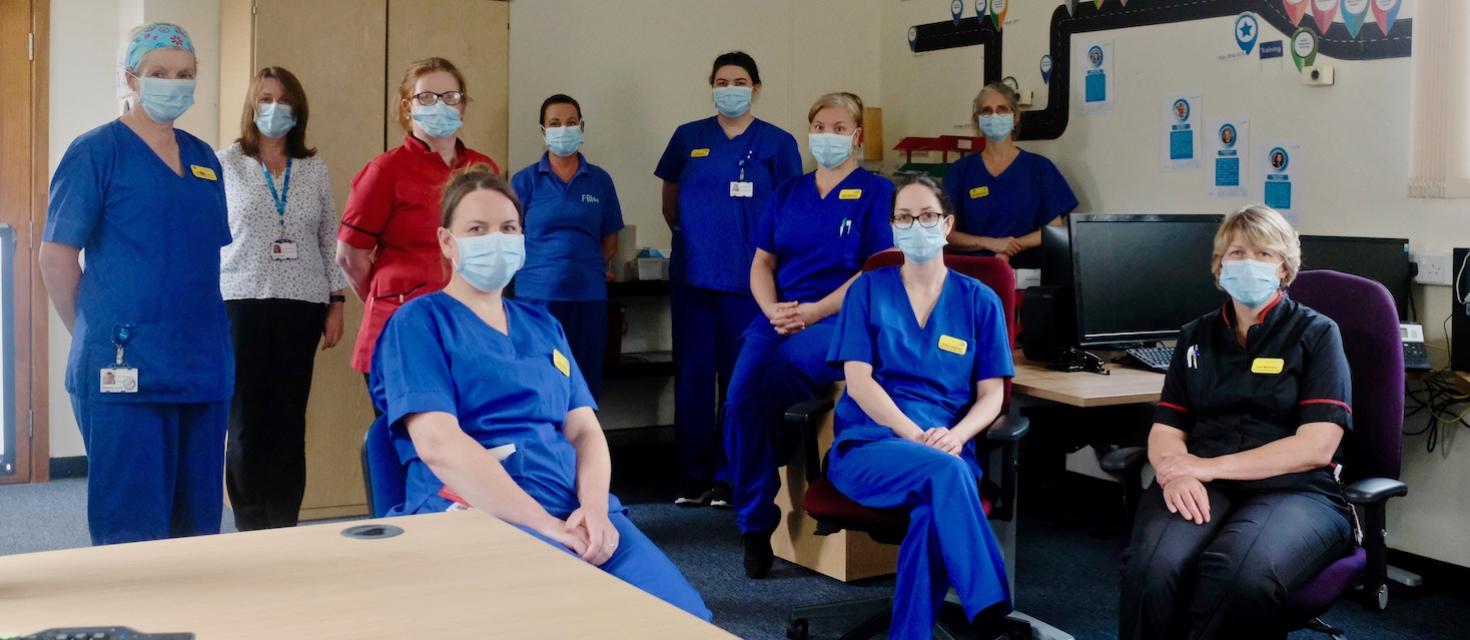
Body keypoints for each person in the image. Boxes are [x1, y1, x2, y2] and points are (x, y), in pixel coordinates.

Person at [370, 166, 710, 621]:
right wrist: (546, 526)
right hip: (480, 516)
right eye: (477, 229)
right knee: (579, 620)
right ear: (447, 242)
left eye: (509, 228)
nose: (496, 239)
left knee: (683, 618)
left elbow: (586, 431)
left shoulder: (542, 325)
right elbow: (438, 443)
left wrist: (594, 510)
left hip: (575, 512)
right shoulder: (419, 323)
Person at [1119, 205, 1355, 640]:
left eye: (1264, 254)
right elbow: (1168, 426)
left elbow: (1316, 446)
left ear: (1284, 267)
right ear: (1218, 265)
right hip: (1201, 479)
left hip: (1295, 488)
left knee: (1237, 576)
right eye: (1238, 252)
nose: (1249, 263)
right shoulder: (1196, 336)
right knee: (1154, 566)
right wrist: (1173, 473)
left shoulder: (1317, 334)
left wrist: (1205, 467)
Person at [39, 23, 233, 545]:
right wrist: (96, 332)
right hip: (123, 368)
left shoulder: (203, 159)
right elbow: (56, 257)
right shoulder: (97, 151)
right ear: (132, 78)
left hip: (200, 361)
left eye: (185, 74)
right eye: (159, 73)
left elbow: (198, 257)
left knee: (197, 526)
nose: (175, 83)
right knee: (132, 528)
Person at [827, 175, 1014, 640]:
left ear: (947, 224)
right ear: (892, 227)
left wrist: (959, 435)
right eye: (904, 218)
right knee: (945, 477)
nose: (917, 226)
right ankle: (989, 607)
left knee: (935, 511)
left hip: (950, 446)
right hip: (872, 445)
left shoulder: (980, 301)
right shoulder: (868, 290)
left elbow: (993, 393)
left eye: (927, 216)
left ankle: (909, 635)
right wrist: (916, 435)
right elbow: (859, 381)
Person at [725, 92, 894, 577]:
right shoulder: (788, 193)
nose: (827, 135)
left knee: (781, 372)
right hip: (778, 314)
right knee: (738, 401)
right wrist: (771, 309)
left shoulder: (876, 193)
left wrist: (815, 310)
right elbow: (762, 262)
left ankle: (795, 472)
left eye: (839, 127)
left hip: (839, 318)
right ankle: (755, 522)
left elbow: (876, 269)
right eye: (819, 125)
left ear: (857, 136)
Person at [655, 51, 802, 508]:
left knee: (741, 383)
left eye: (739, 81)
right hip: (695, 278)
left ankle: (731, 475)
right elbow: (670, 201)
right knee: (694, 379)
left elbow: (789, 211)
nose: (730, 88)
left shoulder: (778, 143)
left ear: (756, 87)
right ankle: (693, 476)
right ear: (711, 85)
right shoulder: (688, 138)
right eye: (722, 80)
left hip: (750, 283)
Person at [217, 66, 347, 530]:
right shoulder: (224, 162)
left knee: (289, 421)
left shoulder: (313, 169)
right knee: (247, 421)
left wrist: (336, 302)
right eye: (266, 97)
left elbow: (329, 234)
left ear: (298, 109)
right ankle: (251, 523)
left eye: (285, 99)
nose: (275, 107)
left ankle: (284, 520)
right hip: (241, 301)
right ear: (253, 105)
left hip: (301, 305)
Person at [336, 57, 498, 385]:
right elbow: (349, 256)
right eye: (427, 97)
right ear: (408, 107)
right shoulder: (385, 171)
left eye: (450, 97)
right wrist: (386, 297)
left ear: (463, 106)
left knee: (472, 433)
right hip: (401, 329)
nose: (440, 105)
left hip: (469, 328)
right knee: (410, 435)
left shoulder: (483, 168)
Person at [511, 94, 623, 399]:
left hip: (588, 298)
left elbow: (610, 240)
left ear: (582, 127)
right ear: (543, 131)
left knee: (584, 384)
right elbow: (509, 237)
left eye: (571, 123)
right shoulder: (525, 182)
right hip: (536, 300)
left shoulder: (600, 180)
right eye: (555, 123)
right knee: (540, 384)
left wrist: (586, 266)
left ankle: (584, 447)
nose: (564, 129)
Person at [942, 82, 1077, 267]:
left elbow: (1053, 229)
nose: (994, 116)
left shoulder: (1039, 168)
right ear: (978, 120)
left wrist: (1013, 246)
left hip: (1028, 274)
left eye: (1002, 110)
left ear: (1016, 117)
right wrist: (989, 243)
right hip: (974, 273)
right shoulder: (960, 172)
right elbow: (947, 233)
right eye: (986, 111)